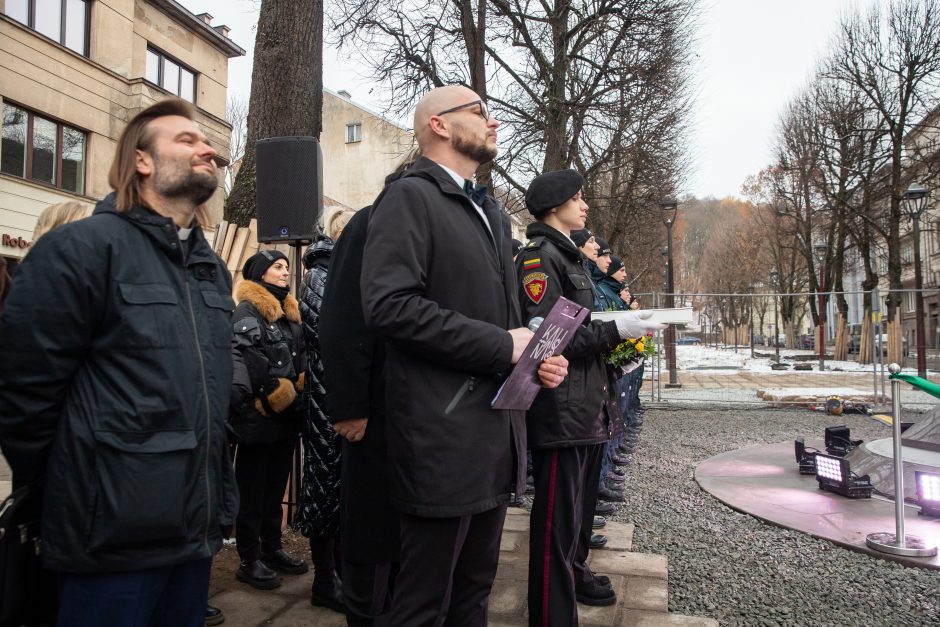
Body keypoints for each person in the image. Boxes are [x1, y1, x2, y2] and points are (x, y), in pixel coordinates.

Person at [0, 98, 239, 627]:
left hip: (193, 532)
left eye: (207, 142)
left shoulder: (210, 270)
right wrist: (69, 488)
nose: (209, 150)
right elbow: (24, 393)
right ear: (142, 161)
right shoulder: (79, 249)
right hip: (108, 538)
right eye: (186, 139)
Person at [360, 85, 568, 626]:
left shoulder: (492, 212)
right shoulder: (409, 197)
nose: (493, 121)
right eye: (479, 111)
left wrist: (536, 356)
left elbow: (509, 320)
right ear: (439, 125)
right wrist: (501, 345)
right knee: (423, 603)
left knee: (473, 595)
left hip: (494, 435)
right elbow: (389, 306)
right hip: (441, 436)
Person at [516, 169, 663, 626]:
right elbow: (548, 341)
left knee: (575, 517)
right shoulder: (540, 260)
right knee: (555, 527)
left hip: (584, 405)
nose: (585, 206)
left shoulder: (570, 257)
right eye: (577, 199)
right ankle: (550, 615)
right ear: (554, 205)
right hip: (561, 410)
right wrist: (616, 329)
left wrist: (620, 340)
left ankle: (570, 587)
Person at [318, 149, 420, 626]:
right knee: (370, 532)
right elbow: (342, 321)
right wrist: (350, 406)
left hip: (415, 407)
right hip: (373, 407)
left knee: (406, 536)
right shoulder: (369, 223)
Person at [229, 250, 309, 590]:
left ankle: (272, 548)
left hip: (286, 419)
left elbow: (301, 354)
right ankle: (249, 558)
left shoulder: (290, 313)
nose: (284, 271)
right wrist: (275, 395)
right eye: (277, 266)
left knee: (275, 488)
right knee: (252, 491)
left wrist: (300, 387)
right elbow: (248, 359)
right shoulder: (247, 311)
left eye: (286, 267)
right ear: (260, 273)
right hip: (257, 418)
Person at [294, 208, 357, 612]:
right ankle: (325, 579)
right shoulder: (320, 273)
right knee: (324, 486)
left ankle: (342, 571)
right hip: (325, 394)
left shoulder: (346, 270)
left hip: (343, 389)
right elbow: (329, 333)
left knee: (344, 486)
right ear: (337, 232)